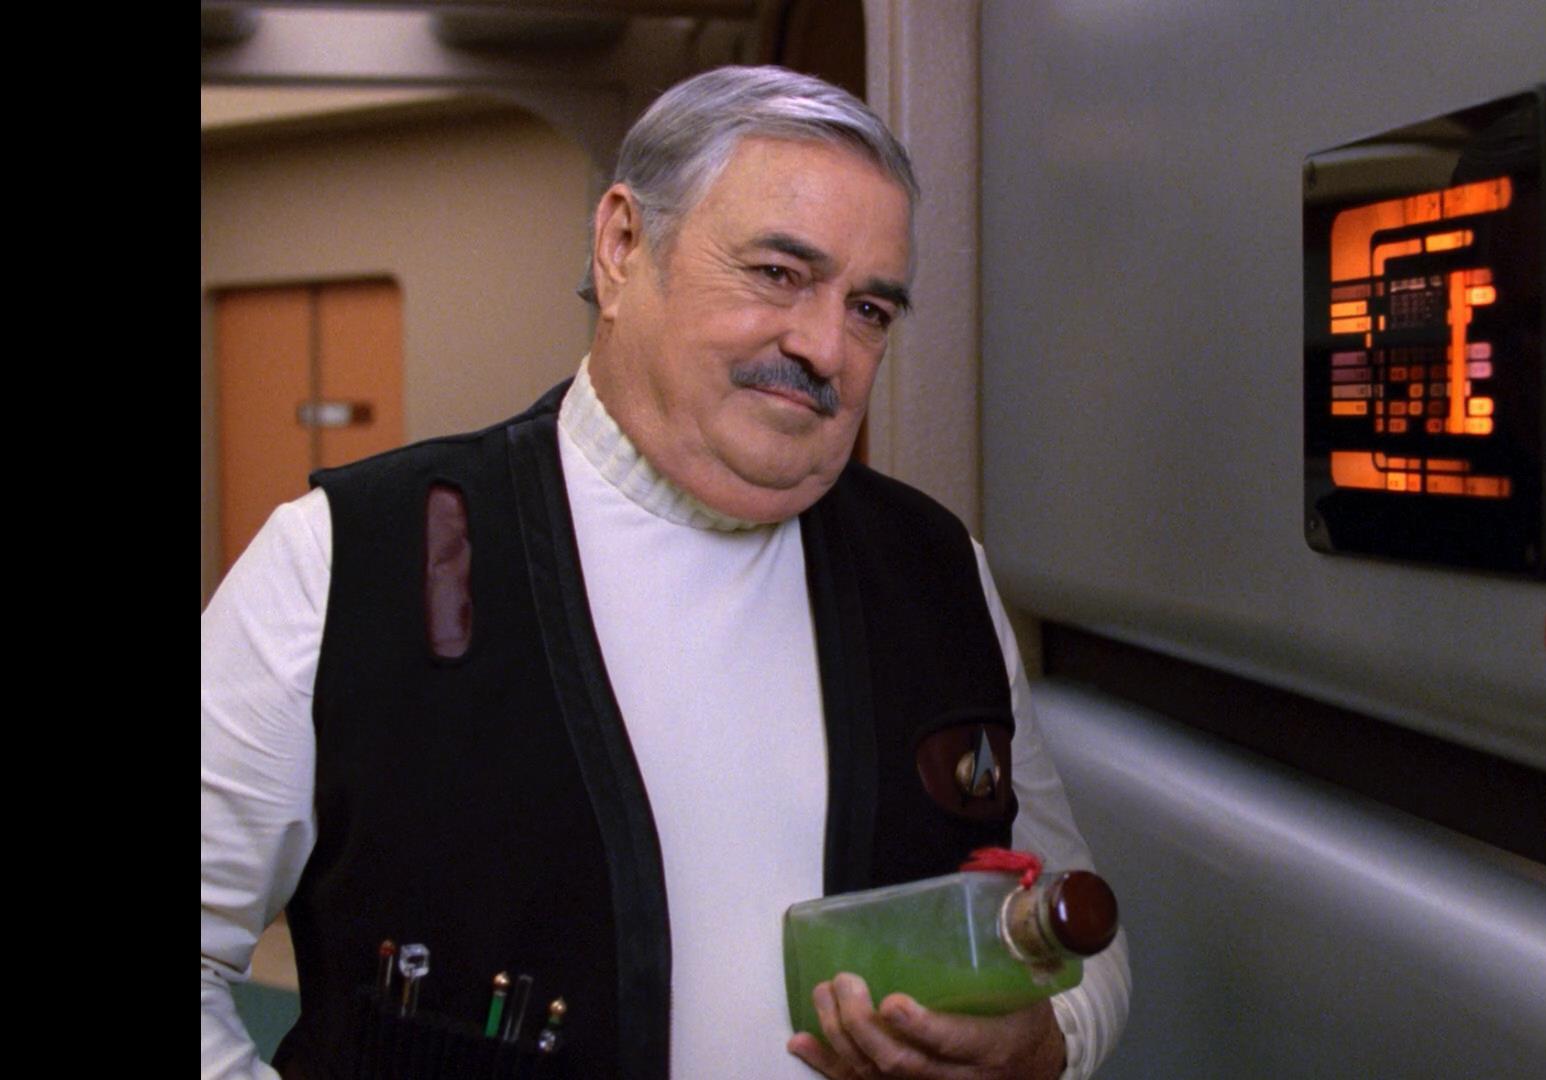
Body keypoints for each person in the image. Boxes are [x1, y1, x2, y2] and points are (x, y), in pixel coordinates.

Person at [202, 65, 1130, 1080]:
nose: (825, 346)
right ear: (621, 246)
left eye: (869, 308)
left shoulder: (938, 574)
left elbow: (1075, 930)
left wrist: (1047, 1044)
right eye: (778, 273)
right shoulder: (343, 559)